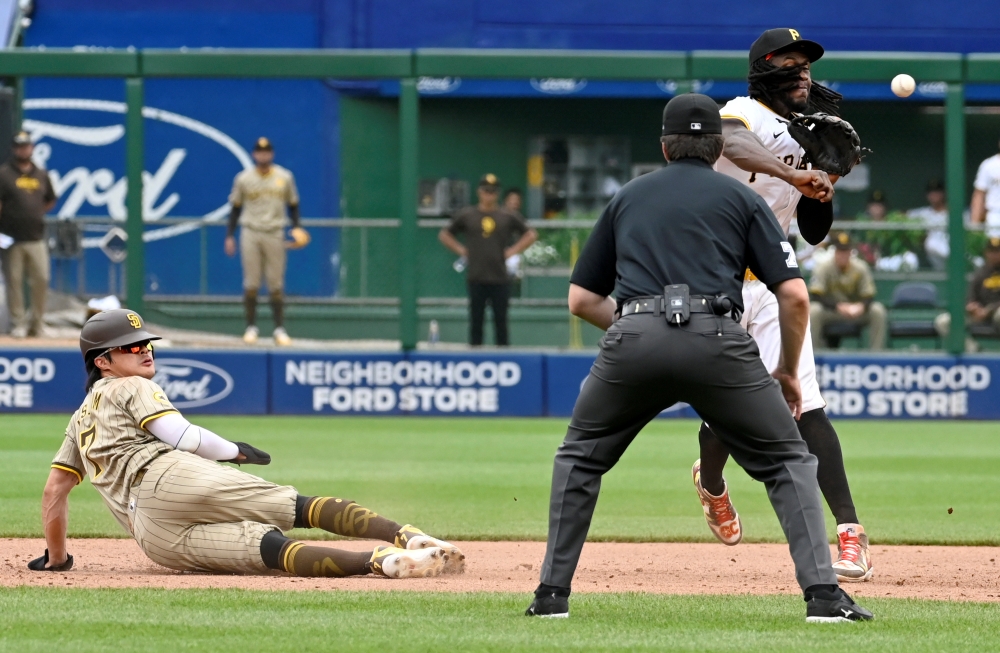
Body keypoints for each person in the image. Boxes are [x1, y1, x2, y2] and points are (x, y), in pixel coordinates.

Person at [525, 94, 872, 623]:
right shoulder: (742, 199)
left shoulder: (628, 196)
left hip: (635, 334)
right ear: (717, 149)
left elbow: (580, 300)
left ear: (664, 147)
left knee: (579, 458)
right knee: (788, 462)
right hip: (718, 338)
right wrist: (784, 370)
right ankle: (823, 599)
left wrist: (636, 330)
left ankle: (550, 597)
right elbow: (796, 296)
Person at [30, 308, 465, 579]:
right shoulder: (126, 387)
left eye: (146, 343)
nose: (145, 352)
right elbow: (180, 436)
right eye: (130, 347)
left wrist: (57, 559)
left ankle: (382, 564)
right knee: (297, 507)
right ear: (103, 362)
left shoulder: (77, 421)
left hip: (151, 536)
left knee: (268, 552)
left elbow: (54, 493)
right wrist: (232, 450)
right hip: (168, 477)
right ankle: (409, 538)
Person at [697, 28, 873, 583]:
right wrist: (793, 170)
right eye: (792, 65)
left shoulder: (806, 133)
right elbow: (729, 144)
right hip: (716, 281)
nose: (803, 75)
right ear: (764, 71)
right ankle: (712, 483)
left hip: (774, 282)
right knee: (725, 412)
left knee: (806, 405)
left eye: (808, 67)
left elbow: (813, 231)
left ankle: (849, 531)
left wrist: (826, 181)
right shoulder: (740, 113)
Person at [438, 174, 537, 346]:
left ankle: (503, 355)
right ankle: (476, 354)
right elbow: (445, 234)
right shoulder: (468, 215)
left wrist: (512, 251)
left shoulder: (507, 216)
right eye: (485, 191)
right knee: (476, 321)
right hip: (476, 276)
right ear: (479, 192)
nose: (488, 195)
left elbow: (530, 234)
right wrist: (462, 250)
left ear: (497, 194)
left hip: (499, 277)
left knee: (501, 322)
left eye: (492, 191)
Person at [225, 137, 305, 347]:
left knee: (275, 284)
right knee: (251, 284)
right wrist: (230, 235)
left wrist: (296, 227)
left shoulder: (284, 177)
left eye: (267, 152)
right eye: (260, 152)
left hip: (275, 232)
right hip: (250, 231)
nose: (263, 155)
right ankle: (251, 328)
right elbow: (235, 208)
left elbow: (293, 204)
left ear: (272, 154)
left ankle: (279, 329)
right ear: (254, 155)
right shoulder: (243, 178)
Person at [0, 131, 58, 338]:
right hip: (11, 238)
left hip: (36, 237)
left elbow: (50, 200)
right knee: (14, 281)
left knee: (41, 279)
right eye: (19, 146)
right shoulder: (4, 174)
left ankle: (37, 323)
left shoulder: (41, 174)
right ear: (14, 149)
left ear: (31, 148)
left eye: (26, 146)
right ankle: (18, 323)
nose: (22, 150)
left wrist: (32, 212)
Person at [809, 233, 887, 350]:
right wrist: (839, 306)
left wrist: (860, 306)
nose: (843, 255)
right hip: (832, 311)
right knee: (814, 310)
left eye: (845, 251)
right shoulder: (823, 267)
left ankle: (877, 355)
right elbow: (816, 295)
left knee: (877, 310)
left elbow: (869, 295)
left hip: (855, 311)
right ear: (835, 252)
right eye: (840, 251)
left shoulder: (860, 267)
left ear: (851, 252)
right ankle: (814, 355)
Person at [935, 236, 1000, 343]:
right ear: (986, 253)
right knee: (943, 322)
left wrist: (989, 310)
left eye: (997, 252)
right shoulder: (980, 273)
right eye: (991, 252)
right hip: (979, 314)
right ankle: (973, 351)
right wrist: (972, 307)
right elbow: (971, 297)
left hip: (995, 313)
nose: (995, 255)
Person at [907, 179, 949, 270]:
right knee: (931, 243)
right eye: (931, 192)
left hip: (954, 249)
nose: (934, 195)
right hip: (937, 259)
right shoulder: (923, 213)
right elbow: (902, 215)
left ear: (943, 193)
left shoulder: (956, 213)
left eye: (937, 192)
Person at [971, 138, 1000, 237]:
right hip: (996, 215)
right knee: (994, 250)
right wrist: (974, 226)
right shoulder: (989, 165)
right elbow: (979, 195)